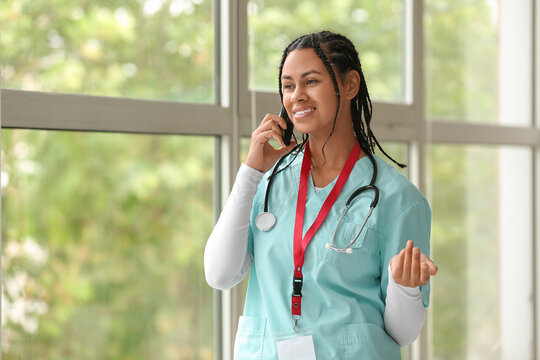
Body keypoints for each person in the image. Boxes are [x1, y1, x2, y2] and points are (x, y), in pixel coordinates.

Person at [204, 31, 438, 359]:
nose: (296, 96)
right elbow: (220, 274)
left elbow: (403, 332)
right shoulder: (269, 182)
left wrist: (405, 287)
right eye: (288, 85)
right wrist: (250, 173)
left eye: (310, 81)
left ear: (350, 84)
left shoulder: (398, 199)